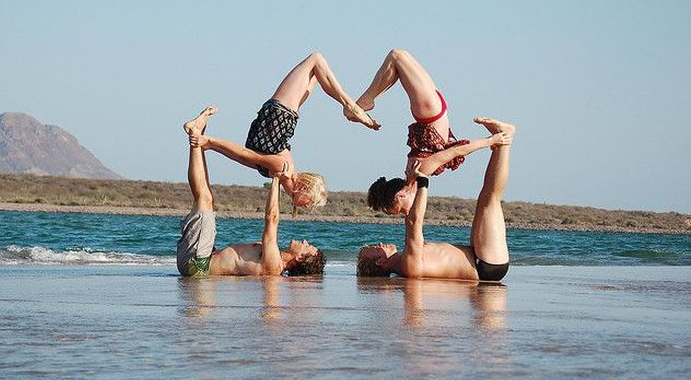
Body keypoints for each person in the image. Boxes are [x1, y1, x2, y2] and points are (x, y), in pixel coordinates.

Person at [187, 52, 380, 211]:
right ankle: (350, 105)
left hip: (278, 120)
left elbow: (244, 158)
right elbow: (244, 154)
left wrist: (209, 144)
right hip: (279, 120)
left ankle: (350, 105)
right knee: (316, 62)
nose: (309, 206)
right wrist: (209, 142)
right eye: (310, 202)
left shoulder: (280, 173)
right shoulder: (282, 168)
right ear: (303, 188)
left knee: (315, 66)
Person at [357, 118, 515, 282]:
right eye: (375, 248)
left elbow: (412, 222)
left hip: (478, 256)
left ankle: (502, 142)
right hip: (485, 265)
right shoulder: (408, 264)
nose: (380, 243)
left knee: (486, 199)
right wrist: (423, 181)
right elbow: (414, 222)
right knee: (489, 199)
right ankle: (505, 140)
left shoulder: (405, 259)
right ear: (381, 261)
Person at [177, 106, 326, 277]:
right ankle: (199, 135)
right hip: (203, 259)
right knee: (206, 199)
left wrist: (276, 179)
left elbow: (272, 219)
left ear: (300, 258)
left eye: (307, 246)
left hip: (198, 266)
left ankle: (196, 136)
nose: (305, 241)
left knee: (203, 198)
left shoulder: (274, 265)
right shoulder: (274, 258)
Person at [357, 49, 500, 215]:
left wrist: (492, 140)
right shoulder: (416, 174)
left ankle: (367, 100)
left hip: (430, 113)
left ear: (400, 194)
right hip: (432, 111)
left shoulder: (421, 169)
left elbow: (458, 150)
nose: (407, 212)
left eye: (402, 210)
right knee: (397, 62)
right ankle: (368, 100)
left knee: (397, 56)